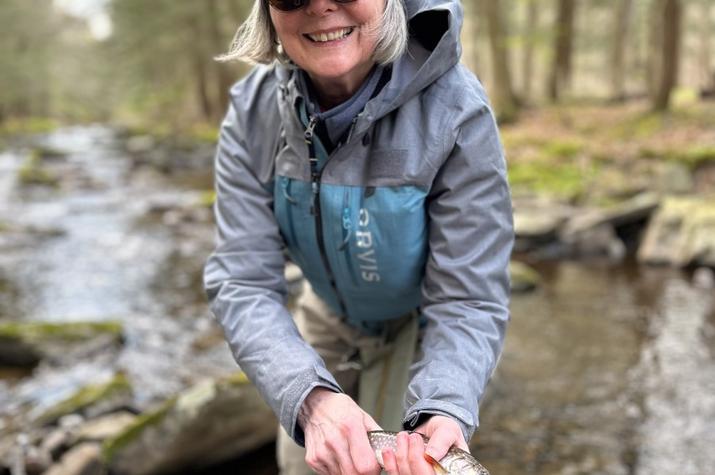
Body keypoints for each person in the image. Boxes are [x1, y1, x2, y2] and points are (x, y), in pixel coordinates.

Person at [203, 0, 514, 473]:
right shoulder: (252, 115)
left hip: (416, 324)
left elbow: (467, 297)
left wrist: (444, 407)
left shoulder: (458, 112)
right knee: (304, 462)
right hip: (326, 312)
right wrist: (310, 398)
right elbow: (243, 282)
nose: (321, 6)